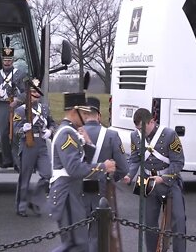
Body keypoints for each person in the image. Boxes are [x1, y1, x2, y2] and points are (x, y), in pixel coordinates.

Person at [47, 92, 117, 252]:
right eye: (84, 113)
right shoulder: (67, 133)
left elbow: (82, 160)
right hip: (67, 192)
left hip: (70, 192)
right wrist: (103, 167)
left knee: (78, 245)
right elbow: (75, 168)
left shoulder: (71, 131)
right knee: (76, 245)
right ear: (74, 111)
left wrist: (87, 142)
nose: (87, 117)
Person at [122, 108, 187, 252]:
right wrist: (129, 175)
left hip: (169, 181)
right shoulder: (135, 136)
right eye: (138, 128)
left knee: (179, 221)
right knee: (149, 223)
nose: (140, 131)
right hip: (147, 182)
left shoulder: (170, 134)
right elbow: (135, 159)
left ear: (152, 121)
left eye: (142, 128)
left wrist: (163, 178)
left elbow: (178, 162)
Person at [81, 97, 128, 252]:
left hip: (77, 189)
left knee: (76, 235)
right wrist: (108, 179)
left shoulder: (73, 133)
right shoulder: (111, 135)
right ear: (99, 115)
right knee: (97, 235)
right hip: (101, 190)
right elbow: (123, 168)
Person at [14, 78, 56, 217]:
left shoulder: (44, 108)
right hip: (27, 144)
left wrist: (50, 131)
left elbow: (52, 123)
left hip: (42, 144)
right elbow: (15, 130)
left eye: (37, 93)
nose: (35, 96)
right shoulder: (20, 110)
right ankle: (21, 207)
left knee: (47, 175)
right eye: (32, 93)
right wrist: (23, 129)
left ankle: (35, 200)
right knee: (25, 177)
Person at [0, 43, 27, 169]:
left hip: (16, 106)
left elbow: (26, 92)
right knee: (2, 132)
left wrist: (18, 100)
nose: (7, 62)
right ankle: (7, 159)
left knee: (16, 132)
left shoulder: (20, 74)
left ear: (13, 60)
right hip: (2, 105)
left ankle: (17, 161)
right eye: (5, 60)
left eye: (9, 60)